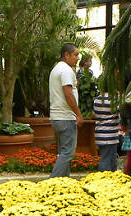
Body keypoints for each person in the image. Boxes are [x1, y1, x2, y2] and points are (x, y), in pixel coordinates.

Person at [49, 42, 82, 178]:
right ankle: (52, 183)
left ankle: (64, 183)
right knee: (67, 153)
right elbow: (68, 94)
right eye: (75, 55)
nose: (77, 58)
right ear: (66, 55)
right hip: (65, 117)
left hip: (57, 116)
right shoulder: (66, 70)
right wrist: (78, 114)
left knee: (64, 152)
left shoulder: (57, 69)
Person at [93, 92, 120, 171]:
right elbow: (122, 110)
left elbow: (94, 114)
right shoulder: (114, 100)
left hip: (100, 133)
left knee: (108, 157)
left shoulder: (97, 100)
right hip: (110, 135)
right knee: (106, 159)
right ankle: (104, 178)